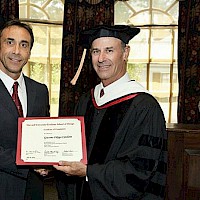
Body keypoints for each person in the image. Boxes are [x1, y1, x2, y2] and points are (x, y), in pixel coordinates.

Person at [54, 25, 168, 200]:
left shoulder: (144, 107)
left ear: (125, 53)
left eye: (109, 50)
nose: (101, 58)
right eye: (95, 51)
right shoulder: (86, 101)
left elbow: (141, 171)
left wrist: (88, 171)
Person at [0, 19, 50, 199]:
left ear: (29, 52)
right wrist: (29, 163)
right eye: (9, 42)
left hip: (33, 189)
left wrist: (49, 161)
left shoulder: (40, 90)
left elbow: (45, 136)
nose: (16, 51)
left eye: (24, 45)